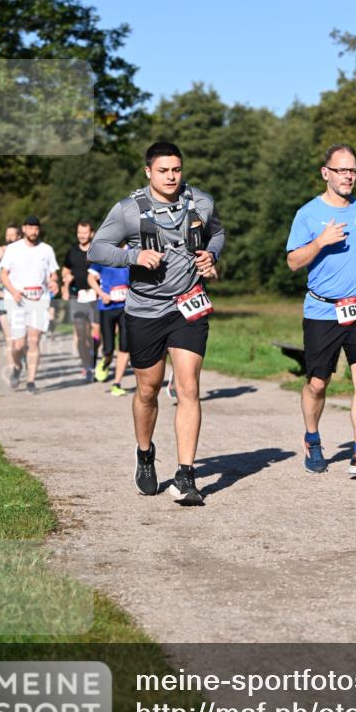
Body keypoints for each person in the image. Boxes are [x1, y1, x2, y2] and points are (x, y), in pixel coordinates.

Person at [88, 140, 224, 505]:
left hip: (188, 307)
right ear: (148, 171)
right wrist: (134, 255)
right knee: (148, 390)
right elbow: (96, 249)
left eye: (176, 170)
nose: (171, 177)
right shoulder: (128, 210)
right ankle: (145, 453)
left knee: (188, 388)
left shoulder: (201, 203)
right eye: (163, 171)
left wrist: (210, 256)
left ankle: (185, 474)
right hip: (145, 310)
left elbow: (218, 233)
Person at [286, 143, 356, 476]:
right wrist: (320, 242)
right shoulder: (308, 214)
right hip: (322, 311)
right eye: (342, 170)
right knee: (317, 383)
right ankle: (312, 438)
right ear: (325, 173)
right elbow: (292, 262)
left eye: (353, 170)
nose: (349, 177)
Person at [0, 215, 59, 393]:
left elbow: (53, 274)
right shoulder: (12, 249)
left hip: (39, 299)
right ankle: (17, 367)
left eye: (36, 228)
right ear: (23, 229)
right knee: (18, 344)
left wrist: (54, 282)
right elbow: (3, 274)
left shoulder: (47, 250)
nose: (33, 231)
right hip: (17, 300)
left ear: (38, 230)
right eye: (30, 228)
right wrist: (13, 291)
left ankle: (31, 381)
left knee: (34, 341)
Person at [62, 221, 100, 383]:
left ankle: (93, 358)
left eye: (84, 232)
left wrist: (101, 276)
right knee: (80, 333)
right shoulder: (72, 251)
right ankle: (87, 365)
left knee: (96, 334)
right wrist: (65, 282)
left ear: (91, 233)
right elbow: (65, 270)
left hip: (95, 296)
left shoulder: (97, 251)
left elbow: (106, 268)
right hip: (77, 296)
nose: (81, 235)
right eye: (79, 232)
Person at [87, 258, 131, 396]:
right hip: (107, 307)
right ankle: (105, 362)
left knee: (125, 346)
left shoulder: (131, 252)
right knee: (108, 348)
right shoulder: (104, 254)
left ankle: (117, 383)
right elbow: (90, 278)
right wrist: (101, 294)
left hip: (126, 307)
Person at [0, 224, 22, 368]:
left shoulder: (25, 251)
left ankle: (21, 361)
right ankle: (12, 368)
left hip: (21, 298)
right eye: (7, 234)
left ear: (19, 236)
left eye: (12, 235)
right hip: (3, 297)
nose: (9, 238)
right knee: (9, 338)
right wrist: (1, 277)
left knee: (22, 337)